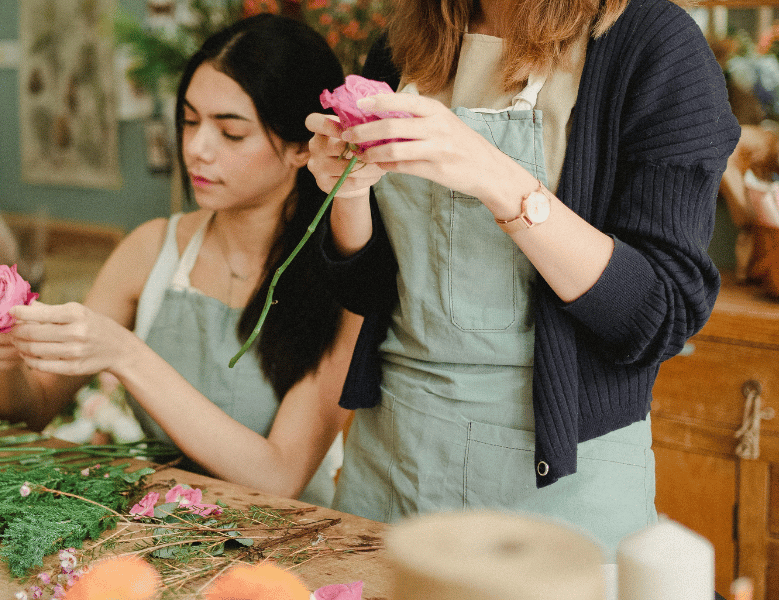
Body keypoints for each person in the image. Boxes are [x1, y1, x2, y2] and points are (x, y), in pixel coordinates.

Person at [305, 0, 740, 553]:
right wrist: (348, 190)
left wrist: (494, 177)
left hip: (561, 490)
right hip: (391, 461)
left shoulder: (652, 43)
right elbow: (366, 292)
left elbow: (658, 315)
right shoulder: (406, 45)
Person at [0, 14, 360, 507]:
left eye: (231, 133)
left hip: (286, 548)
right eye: (190, 121)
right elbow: (29, 417)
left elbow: (280, 475)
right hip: (154, 528)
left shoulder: (340, 277)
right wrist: (10, 361)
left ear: (303, 148)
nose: (196, 149)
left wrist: (126, 354)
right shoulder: (151, 249)